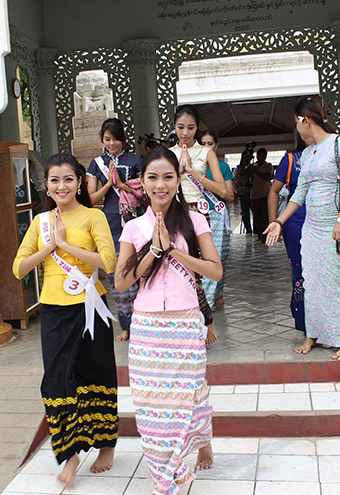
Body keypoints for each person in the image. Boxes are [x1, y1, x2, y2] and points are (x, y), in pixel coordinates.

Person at [115, 147, 221, 495]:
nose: (160, 185)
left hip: (184, 323)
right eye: (153, 177)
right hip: (147, 327)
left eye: (168, 177)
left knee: (190, 395)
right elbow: (121, 282)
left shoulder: (194, 220)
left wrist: (173, 250)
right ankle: (165, 473)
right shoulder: (133, 227)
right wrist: (154, 251)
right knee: (151, 405)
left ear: (178, 180)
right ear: (141, 181)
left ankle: (201, 442)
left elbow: (215, 270)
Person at [13, 154, 119, 487]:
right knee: (57, 381)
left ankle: (106, 445)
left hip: (90, 306)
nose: (62, 186)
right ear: (46, 185)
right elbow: (19, 268)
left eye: (69, 179)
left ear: (79, 182)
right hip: (55, 311)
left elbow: (109, 262)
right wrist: (50, 248)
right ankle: (69, 452)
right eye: (55, 180)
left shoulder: (93, 216)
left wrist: (65, 246)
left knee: (96, 374)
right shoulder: (40, 222)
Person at [265, 98, 340, 360]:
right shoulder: (307, 153)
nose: (297, 130)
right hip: (311, 228)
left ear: (304, 120)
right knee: (312, 283)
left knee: (339, 281)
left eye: (297, 124)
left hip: (335, 224)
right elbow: (299, 193)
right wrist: (279, 221)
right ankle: (313, 334)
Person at [170, 104, 225, 341]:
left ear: (197, 128)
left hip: (199, 214)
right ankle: (185, 322)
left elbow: (222, 189)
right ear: (174, 126)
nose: (185, 133)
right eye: (181, 127)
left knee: (199, 270)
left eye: (191, 128)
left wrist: (191, 170)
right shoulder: (167, 154)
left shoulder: (206, 152)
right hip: (174, 213)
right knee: (176, 269)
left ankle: (207, 322)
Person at [86, 118, 143, 341]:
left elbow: (144, 192)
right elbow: (91, 199)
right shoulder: (96, 163)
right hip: (109, 222)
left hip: (135, 219)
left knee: (139, 272)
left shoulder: (136, 160)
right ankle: (126, 325)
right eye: (107, 139)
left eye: (116, 139)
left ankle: (143, 322)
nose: (112, 143)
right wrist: (109, 185)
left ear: (123, 138)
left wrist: (121, 184)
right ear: (102, 140)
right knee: (116, 273)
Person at [268, 134, 307, 332]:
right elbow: (274, 191)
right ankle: (304, 321)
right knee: (300, 271)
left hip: (326, 221)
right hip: (296, 222)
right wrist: (275, 221)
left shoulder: (331, 154)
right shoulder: (292, 159)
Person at [200, 131, 234, 309]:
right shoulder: (191, 166)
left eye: (210, 144)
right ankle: (207, 300)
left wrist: (207, 182)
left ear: (216, 145)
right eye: (203, 144)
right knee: (204, 258)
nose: (206, 147)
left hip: (217, 214)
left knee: (219, 256)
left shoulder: (223, 167)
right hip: (197, 214)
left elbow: (230, 195)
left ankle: (216, 295)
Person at [249, 148, 273, 243]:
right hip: (254, 195)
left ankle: (265, 236)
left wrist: (256, 172)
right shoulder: (253, 166)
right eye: (259, 155)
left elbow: (268, 177)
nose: (261, 157)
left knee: (264, 216)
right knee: (257, 217)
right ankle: (259, 235)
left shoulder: (268, 166)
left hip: (265, 194)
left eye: (263, 155)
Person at [235, 150, 253, 234]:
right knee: (245, 212)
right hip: (243, 192)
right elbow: (236, 179)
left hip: (253, 192)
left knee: (255, 211)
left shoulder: (252, 167)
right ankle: (248, 229)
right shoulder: (239, 168)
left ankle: (256, 229)